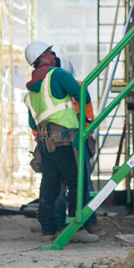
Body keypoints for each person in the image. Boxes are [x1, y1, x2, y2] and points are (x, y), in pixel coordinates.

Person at [23, 40, 100, 243]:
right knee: (77, 182)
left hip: (44, 143)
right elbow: (82, 94)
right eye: (50, 52)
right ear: (44, 57)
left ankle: (48, 229)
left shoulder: (30, 91)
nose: (54, 54)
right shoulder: (58, 75)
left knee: (50, 185)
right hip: (64, 140)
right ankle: (76, 227)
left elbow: (33, 121)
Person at [47, 56, 101, 236]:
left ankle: (71, 224)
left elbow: (87, 118)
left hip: (71, 140)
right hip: (67, 141)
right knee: (79, 183)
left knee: (71, 184)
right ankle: (78, 224)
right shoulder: (76, 88)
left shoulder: (73, 89)